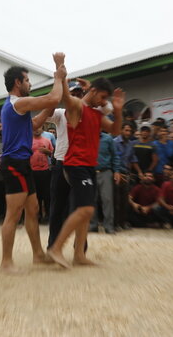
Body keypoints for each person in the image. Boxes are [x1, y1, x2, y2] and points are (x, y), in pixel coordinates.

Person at [0, 54, 67, 274]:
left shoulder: (18, 107)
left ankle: (38, 255)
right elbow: (53, 98)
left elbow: (36, 123)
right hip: (14, 165)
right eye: (27, 80)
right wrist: (58, 73)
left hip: (22, 164)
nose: (29, 84)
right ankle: (6, 263)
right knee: (13, 213)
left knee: (33, 209)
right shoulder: (18, 102)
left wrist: (49, 106)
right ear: (18, 83)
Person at [47, 75, 124, 269]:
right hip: (75, 164)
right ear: (94, 91)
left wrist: (118, 110)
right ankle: (56, 248)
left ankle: (79, 254)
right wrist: (61, 74)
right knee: (86, 209)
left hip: (90, 166)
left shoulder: (97, 114)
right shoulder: (77, 107)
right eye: (103, 97)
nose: (104, 101)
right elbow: (66, 96)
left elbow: (115, 131)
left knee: (86, 212)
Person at [89, 131, 120, 234]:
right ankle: (93, 225)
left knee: (107, 199)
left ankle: (108, 226)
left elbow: (115, 156)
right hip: (90, 172)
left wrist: (116, 171)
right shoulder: (87, 136)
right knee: (91, 199)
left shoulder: (108, 139)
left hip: (105, 171)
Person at [113, 123, 139, 230]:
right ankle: (115, 224)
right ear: (121, 130)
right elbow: (113, 158)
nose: (128, 133)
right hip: (117, 174)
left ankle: (123, 223)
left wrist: (137, 172)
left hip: (126, 174)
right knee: (116, 200)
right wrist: (116, 172)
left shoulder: (130, 144)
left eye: (130, 131)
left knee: (125, 201)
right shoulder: (114, 142)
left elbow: (132, 159)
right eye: (126, 130)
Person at [30, 127, 53, 223]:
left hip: (45, 170)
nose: (36, 130)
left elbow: (52, 153)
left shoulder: (47, 140)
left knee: (47, 195)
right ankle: (37, 216)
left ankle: (48, 216)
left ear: (42, 129)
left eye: (38, 128)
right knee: (35, 195)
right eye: (34, 128)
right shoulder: (28, 140)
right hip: (32, 171)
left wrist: (47, 151)